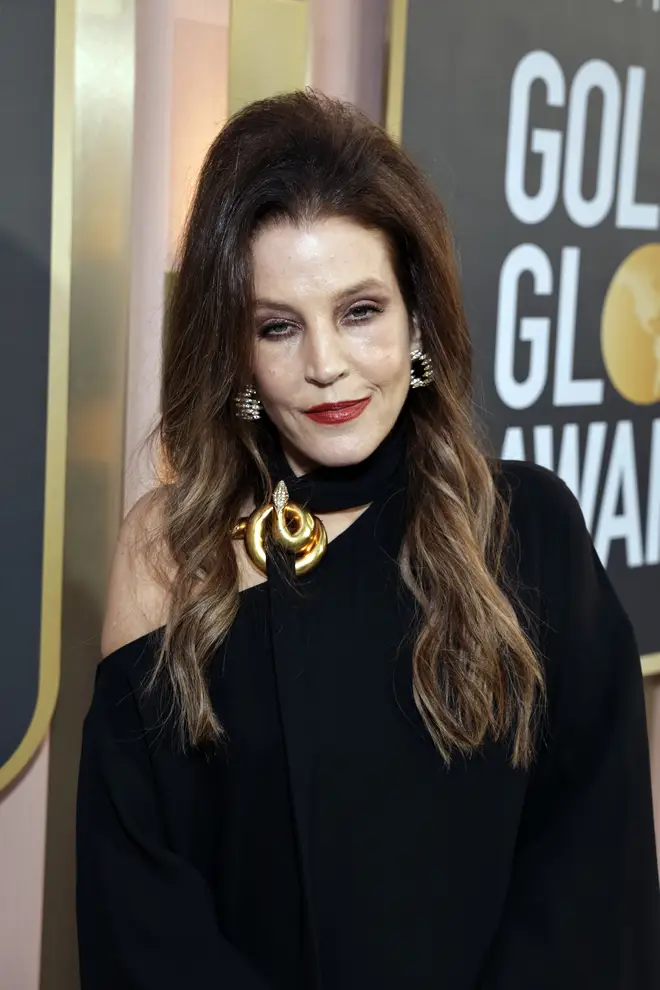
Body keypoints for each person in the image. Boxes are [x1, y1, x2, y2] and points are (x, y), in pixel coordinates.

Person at [76, 90, 660, 990]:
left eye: (359, 311)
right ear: (235, 351)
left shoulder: (525, 528)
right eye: (279, 325)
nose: (325, 366)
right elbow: (139, 908)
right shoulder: (168, 547)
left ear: (417, 319)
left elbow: (590, 876)